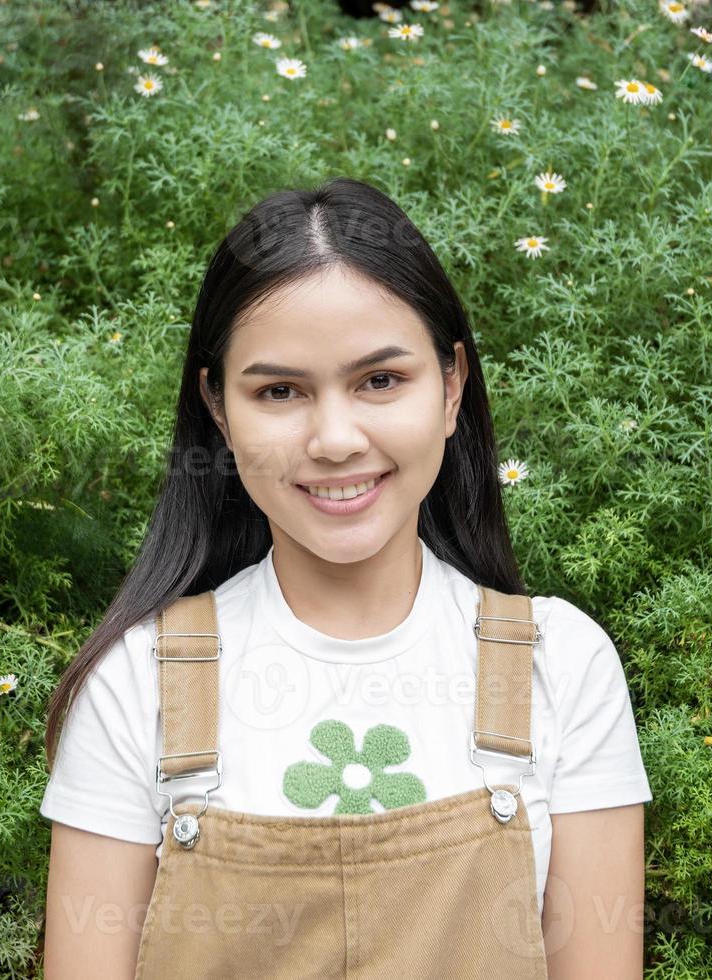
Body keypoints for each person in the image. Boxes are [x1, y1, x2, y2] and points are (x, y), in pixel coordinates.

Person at [39, 177, 652, 978]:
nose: (334, 439)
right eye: (280, 391)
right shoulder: (137, 686)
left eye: (380, 381)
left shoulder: (562, 664)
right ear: (219, 412)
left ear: (452, 386)